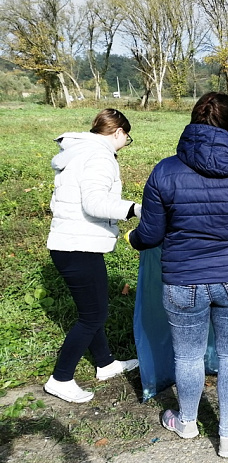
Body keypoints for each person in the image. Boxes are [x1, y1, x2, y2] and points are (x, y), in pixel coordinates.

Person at [127, 92, 228, 459]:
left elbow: (151, 236)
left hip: (182, 282)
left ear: (191, 125)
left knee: (187, 357)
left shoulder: (164, 170)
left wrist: (132, 238)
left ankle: (186, 423)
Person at [45, 109, 141, 404]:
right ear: (118, 132)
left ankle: (105, 363)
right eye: (128, 137)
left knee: (94, 309)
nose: (126, 142)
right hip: (77, 245)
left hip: (74, 243)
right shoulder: (99, 156)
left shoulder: (80, 151)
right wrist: (136, 209)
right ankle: (60, 378)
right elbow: (96, 203)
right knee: (93, 315)